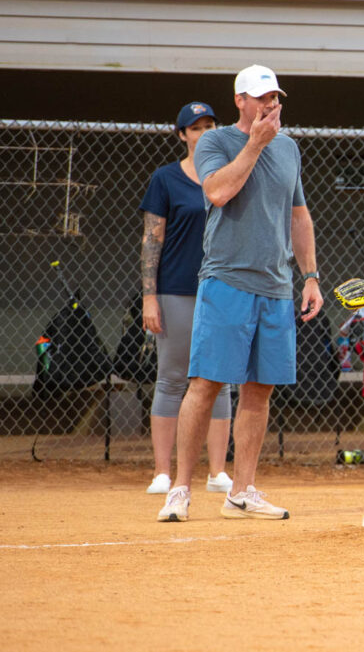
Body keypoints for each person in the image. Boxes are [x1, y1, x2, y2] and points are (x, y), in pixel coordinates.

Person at [157, 65, 323, 522]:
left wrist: (310, 277)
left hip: (276, 287)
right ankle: (180, 488)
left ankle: (242, 490)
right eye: (262, 97)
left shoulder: (289, 148)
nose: (271, 104)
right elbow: (217, 192)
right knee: (206, 384)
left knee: (259, 389)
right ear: (240, 101)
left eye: (275, 97)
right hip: (226, 280)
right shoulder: (216, 142)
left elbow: (299, 216)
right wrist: (256, 144)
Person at [140, 101, 233, 496]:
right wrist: (149, 297)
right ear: (181, 134)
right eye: (195, 128)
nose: (203, 133)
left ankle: (217, 472)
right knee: (172, 378)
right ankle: (163, 472)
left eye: (210, 126)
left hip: (223, 288)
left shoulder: (230, 174)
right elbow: (151, 239)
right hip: (177, 289)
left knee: (221, 380)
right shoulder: (166, 179)